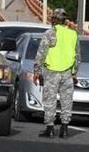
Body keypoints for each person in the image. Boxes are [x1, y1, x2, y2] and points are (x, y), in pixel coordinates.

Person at [33, 8, 80, 139]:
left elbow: (41, 53)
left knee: (50, 100)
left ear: (53, 19)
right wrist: (74, 72)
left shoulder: (50, 33)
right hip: (67, 73)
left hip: (52, 72)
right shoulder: (73, 34)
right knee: (66, 101)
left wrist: (37, 70)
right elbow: (77, 56)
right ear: (65, 20)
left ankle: (50, 128)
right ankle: (64, 129)